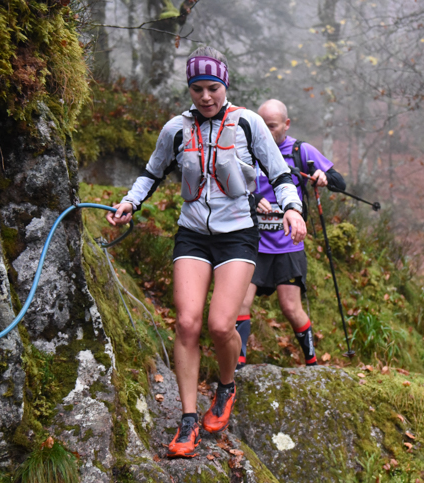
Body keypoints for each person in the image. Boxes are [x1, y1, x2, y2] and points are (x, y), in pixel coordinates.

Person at [106, 48, 306, 458]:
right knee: (186, 322)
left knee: (219, 326)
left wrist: (292, 208)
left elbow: (280, 173)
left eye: (212, 88)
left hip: (238, 235)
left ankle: (226, 386)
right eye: (197, 89)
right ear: (190, 89)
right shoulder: (175, 130)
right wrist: (130, 202)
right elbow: (152, 172)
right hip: (193, 234)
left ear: (225, 86)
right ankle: (187, 420)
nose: (205, 97)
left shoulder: (249, 123)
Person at [235, 99, 345, 370]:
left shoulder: (300, 151)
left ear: (286, 125)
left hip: (287, 245)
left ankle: (312, 364)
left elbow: (340, 182)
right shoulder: (246, 151)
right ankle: (237, 365)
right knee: (240, 303)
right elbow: (229, 187)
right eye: (262, 126)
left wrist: (323, 176)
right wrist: (251, 198)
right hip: (254, 244)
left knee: (290, 308)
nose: (266, 132)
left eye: (272, 126)